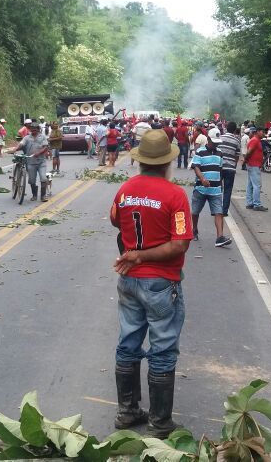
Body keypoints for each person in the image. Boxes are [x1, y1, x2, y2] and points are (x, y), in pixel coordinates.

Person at [110, 129, 193, 438]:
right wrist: (143, 256)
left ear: (141, 161)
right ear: (167, 163)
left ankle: (127, 411)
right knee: (162, 349)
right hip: (160, 282)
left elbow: (115, 219)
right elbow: (179, 244)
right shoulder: (175, 195)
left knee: (128, 342)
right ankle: (160, 422)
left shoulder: (125, 190)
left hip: (129, 281)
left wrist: (134, 253)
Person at [190, 131, 232, 248]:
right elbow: (196, 167)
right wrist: (202, 178)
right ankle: (194, 229)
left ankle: (220, 237)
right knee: (195, 212)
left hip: (216, 190)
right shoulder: (200, 152)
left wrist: (221, 184)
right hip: (200, 188)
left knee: (219, 212)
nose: (216, 145)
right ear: (208, 139)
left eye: (217, 143)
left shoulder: (220, 153)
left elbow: (220, 169)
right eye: (214, 142)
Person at [11, 122, 51, 202]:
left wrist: (38, 153)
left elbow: (45, 147)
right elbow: (21, 144)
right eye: (32, 130)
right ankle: (34, 195)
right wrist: (15, 149)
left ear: (38, 130)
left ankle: (43, 196)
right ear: (30, 130)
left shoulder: (42, 137)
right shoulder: (27, 138)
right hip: (30, 162)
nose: (33, 131)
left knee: (43, 178)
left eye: (35, 130)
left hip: (41, 162)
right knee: (32, 180)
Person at [217, 122, 242, 217]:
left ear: (226, 128)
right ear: (235, 130)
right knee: (228, 190)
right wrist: (234, 166)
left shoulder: (220, 138)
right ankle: (224, 211)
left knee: (218, 188)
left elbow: (217, 152)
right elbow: (237, 156)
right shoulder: (236, 141)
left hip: (219, 167)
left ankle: (217, 208)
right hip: (230, 168)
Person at [242, 127, 268, 212]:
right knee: (257, 185)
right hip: (254, 165)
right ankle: (257, 204)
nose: (264, 133)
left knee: (250, 185)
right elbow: (249, 152)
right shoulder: (255, 140)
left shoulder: (256, 140)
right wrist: (245, 160)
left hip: (253, 165)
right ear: (258, 132)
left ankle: (250, 203)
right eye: (263, 132)